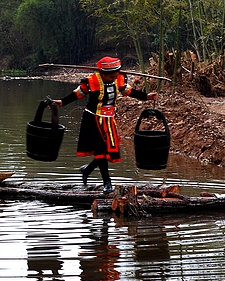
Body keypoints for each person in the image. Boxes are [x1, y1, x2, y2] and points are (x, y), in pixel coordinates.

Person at [53, 56, 157, 193]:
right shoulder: (91, 81)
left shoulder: (117, 79)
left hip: (109, 119)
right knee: (101, 151)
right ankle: (107, 182)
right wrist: (62, 102)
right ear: (103, 74)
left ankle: (87, 169)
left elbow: (128, 91)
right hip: (93, 119)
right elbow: (77, 94)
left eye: (115, 76)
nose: (114, 79)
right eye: (111, 77)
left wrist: (146, 97)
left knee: (109, 151)